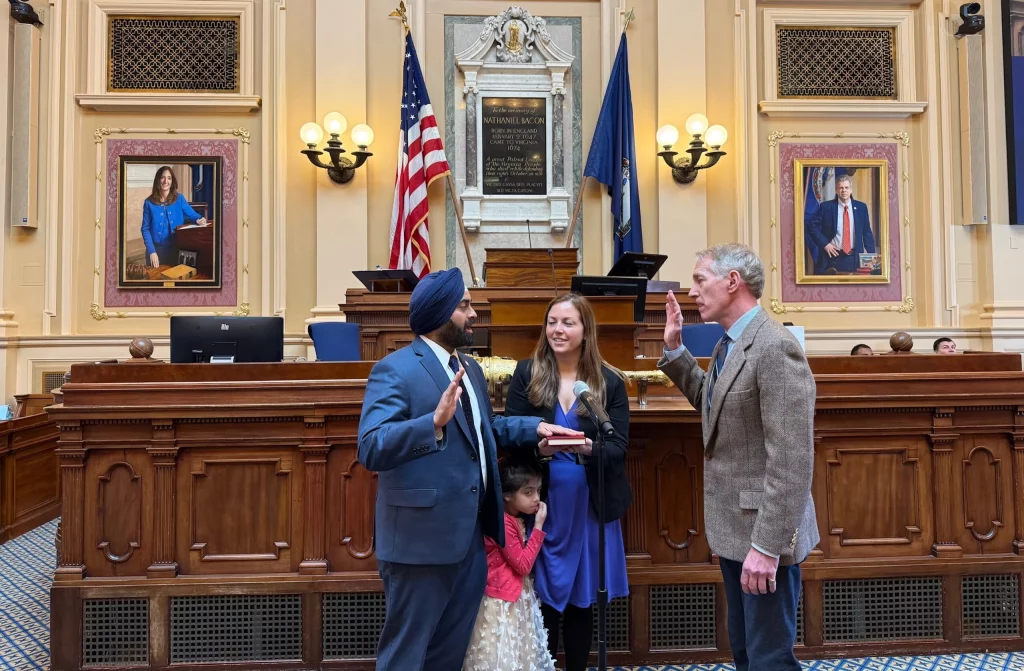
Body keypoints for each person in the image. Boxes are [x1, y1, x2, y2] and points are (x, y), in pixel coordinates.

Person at [357, 268, 582, 671]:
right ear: (441, 313)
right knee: (407, 655)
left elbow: (486, 431)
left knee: (449, 653)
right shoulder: (396, 369)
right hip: (419, 544)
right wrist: (431, 424)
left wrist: (535, 430)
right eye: (464, 306)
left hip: (470, 543)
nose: (474, 314)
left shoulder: (470, 369)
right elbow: (372, 446)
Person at [658, 243, 817, 671]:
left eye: (699, 280)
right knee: (747, 652)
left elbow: (792, 460)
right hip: (736, 529)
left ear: (732, 282)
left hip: (764, 533)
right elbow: (714, 406)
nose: (691, 292)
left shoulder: (774, 347)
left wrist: (766, 547)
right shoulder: (734, 342)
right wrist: (675, 352)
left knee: (769, 658)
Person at [503, 293, 631, 671]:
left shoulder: (608, 382)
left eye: (568, 322)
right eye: (552, 322)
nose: (557, 330)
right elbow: (509, 434)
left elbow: (618, 448)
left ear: (586, 331)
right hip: (542, 504)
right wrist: (540, 450)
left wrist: (590, 447)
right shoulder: (528, 373)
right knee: (542, 595)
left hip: (590, 504)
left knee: (581, 596)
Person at [463, 455, 556, 671]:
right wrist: (539, 527)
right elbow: (523, 565)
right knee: (501, 655)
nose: (536, 498)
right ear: (506, 495)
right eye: (528, 492)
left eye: (538, 491)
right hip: (501, 602)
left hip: (513, 596)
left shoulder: (512, 517)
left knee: (518, 653)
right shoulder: (503, 523)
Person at [807, 174, 876, 274]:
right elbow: (811, 226)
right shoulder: (826, 207)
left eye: (846, 187)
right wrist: (825, 244)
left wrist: (872, 258)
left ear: (851, 190)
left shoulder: (861, 207)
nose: (844, 190)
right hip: (832, 258)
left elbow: (867, 233)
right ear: (836, 190)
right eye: (841, 188)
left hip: (854, 259)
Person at [141, 166, 207, 268]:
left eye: (169, 178)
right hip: (156, 250)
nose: (165, 181)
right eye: (162, 177)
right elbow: (145, 229)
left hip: (176, 249)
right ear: (158, 180)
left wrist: (199, 219)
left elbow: (193, 215)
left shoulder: (179, 198)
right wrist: (151, 251)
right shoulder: (148, 202)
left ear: (172, 181)